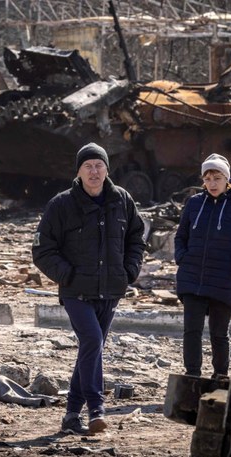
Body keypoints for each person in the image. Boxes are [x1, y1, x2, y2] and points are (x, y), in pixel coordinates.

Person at [32, 143, 145, 435]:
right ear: (79, 171)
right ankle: (96, 408)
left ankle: (71, 415)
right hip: (75, 292)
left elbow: (136, 238)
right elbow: (42, 250)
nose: (94, 171)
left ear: (107, 169)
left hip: (110, 290)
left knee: (90, 350)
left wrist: (129, 270)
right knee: (93, 341)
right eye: (88, 166)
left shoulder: (122, 200)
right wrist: (67, 275)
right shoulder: (61, 204)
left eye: (99, 165)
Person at [174, 153, 231, 378]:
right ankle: (192, 376)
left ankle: (220, 376)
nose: (212, 183)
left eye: (217, 178)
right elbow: (180, 236)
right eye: (207, 178)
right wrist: (183, 258)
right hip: (192, 277)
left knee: (218, 334)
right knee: (191, 332)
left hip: (224, 280)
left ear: (227, 179)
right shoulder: (194, 203)